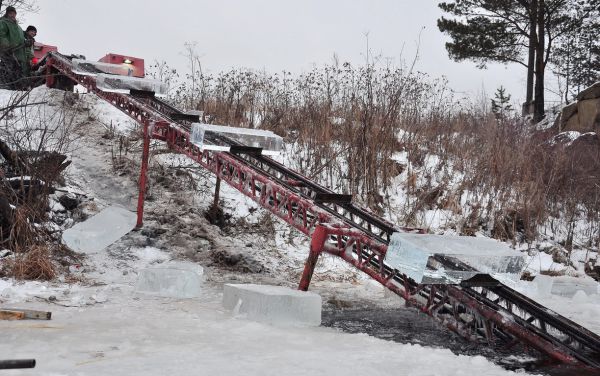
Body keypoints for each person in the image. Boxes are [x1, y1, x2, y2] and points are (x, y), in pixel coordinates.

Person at [0, 7, 33, 88]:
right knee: (9, 73)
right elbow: (1, 35)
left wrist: (27, 41)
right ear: (7, 13)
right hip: (8, 53)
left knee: (19, 74)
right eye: (11, 13)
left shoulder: (18, 27)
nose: (13, 15)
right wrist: (6, 47)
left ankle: (19, 90)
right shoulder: (3, 22)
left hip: (20, 55)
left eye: (14, 13)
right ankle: (6, 89)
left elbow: (22, 38)